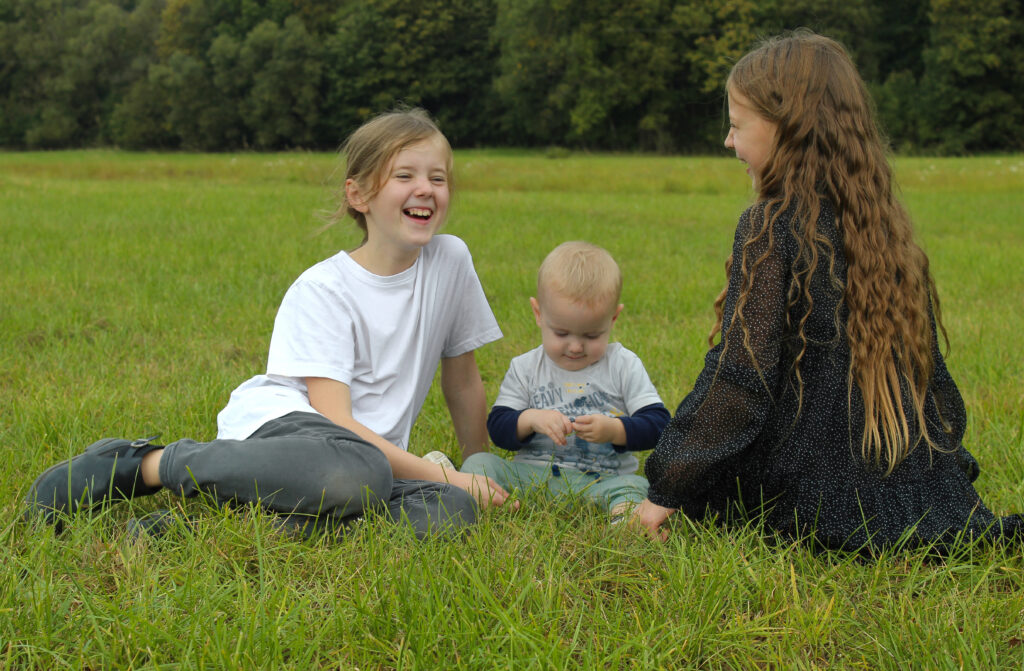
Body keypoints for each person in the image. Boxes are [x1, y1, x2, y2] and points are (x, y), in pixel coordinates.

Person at [24, 108, 513, 539]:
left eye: (438, 178)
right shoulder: (324, 290)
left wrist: (474, 471)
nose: (425, 188)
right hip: (292, 433)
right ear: (359, 194)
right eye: (404, 176)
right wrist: (444, 474)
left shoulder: (451, 261)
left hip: (370, 464)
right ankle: (147, 464)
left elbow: (463, 377)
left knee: (449, 512)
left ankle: (190, 533)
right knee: (358, 473)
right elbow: (335, 421)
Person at [632, 31, 1022, 552]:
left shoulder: (768, 226)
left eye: (736, 126)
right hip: (895, 470)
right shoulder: (882, 228)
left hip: (809, 490)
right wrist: (933, 474)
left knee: (720, 490)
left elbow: (741, 381)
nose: (729, 142)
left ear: (787, 129)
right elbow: (935, 384)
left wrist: (667, 486)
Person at [462, 241, 670, 520]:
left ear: (614, 318)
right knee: (479, 463)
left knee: (637, 486)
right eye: (561, 333)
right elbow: (499, 428)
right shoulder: (526, 368)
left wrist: (615, 430)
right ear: (538, 314)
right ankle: (489, 501)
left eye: (592, 336)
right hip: (531, 477)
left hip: (602, 480)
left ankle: (624, 520)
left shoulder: (623, 365)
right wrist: (531, 419)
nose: (575, 347)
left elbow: (659, 425)